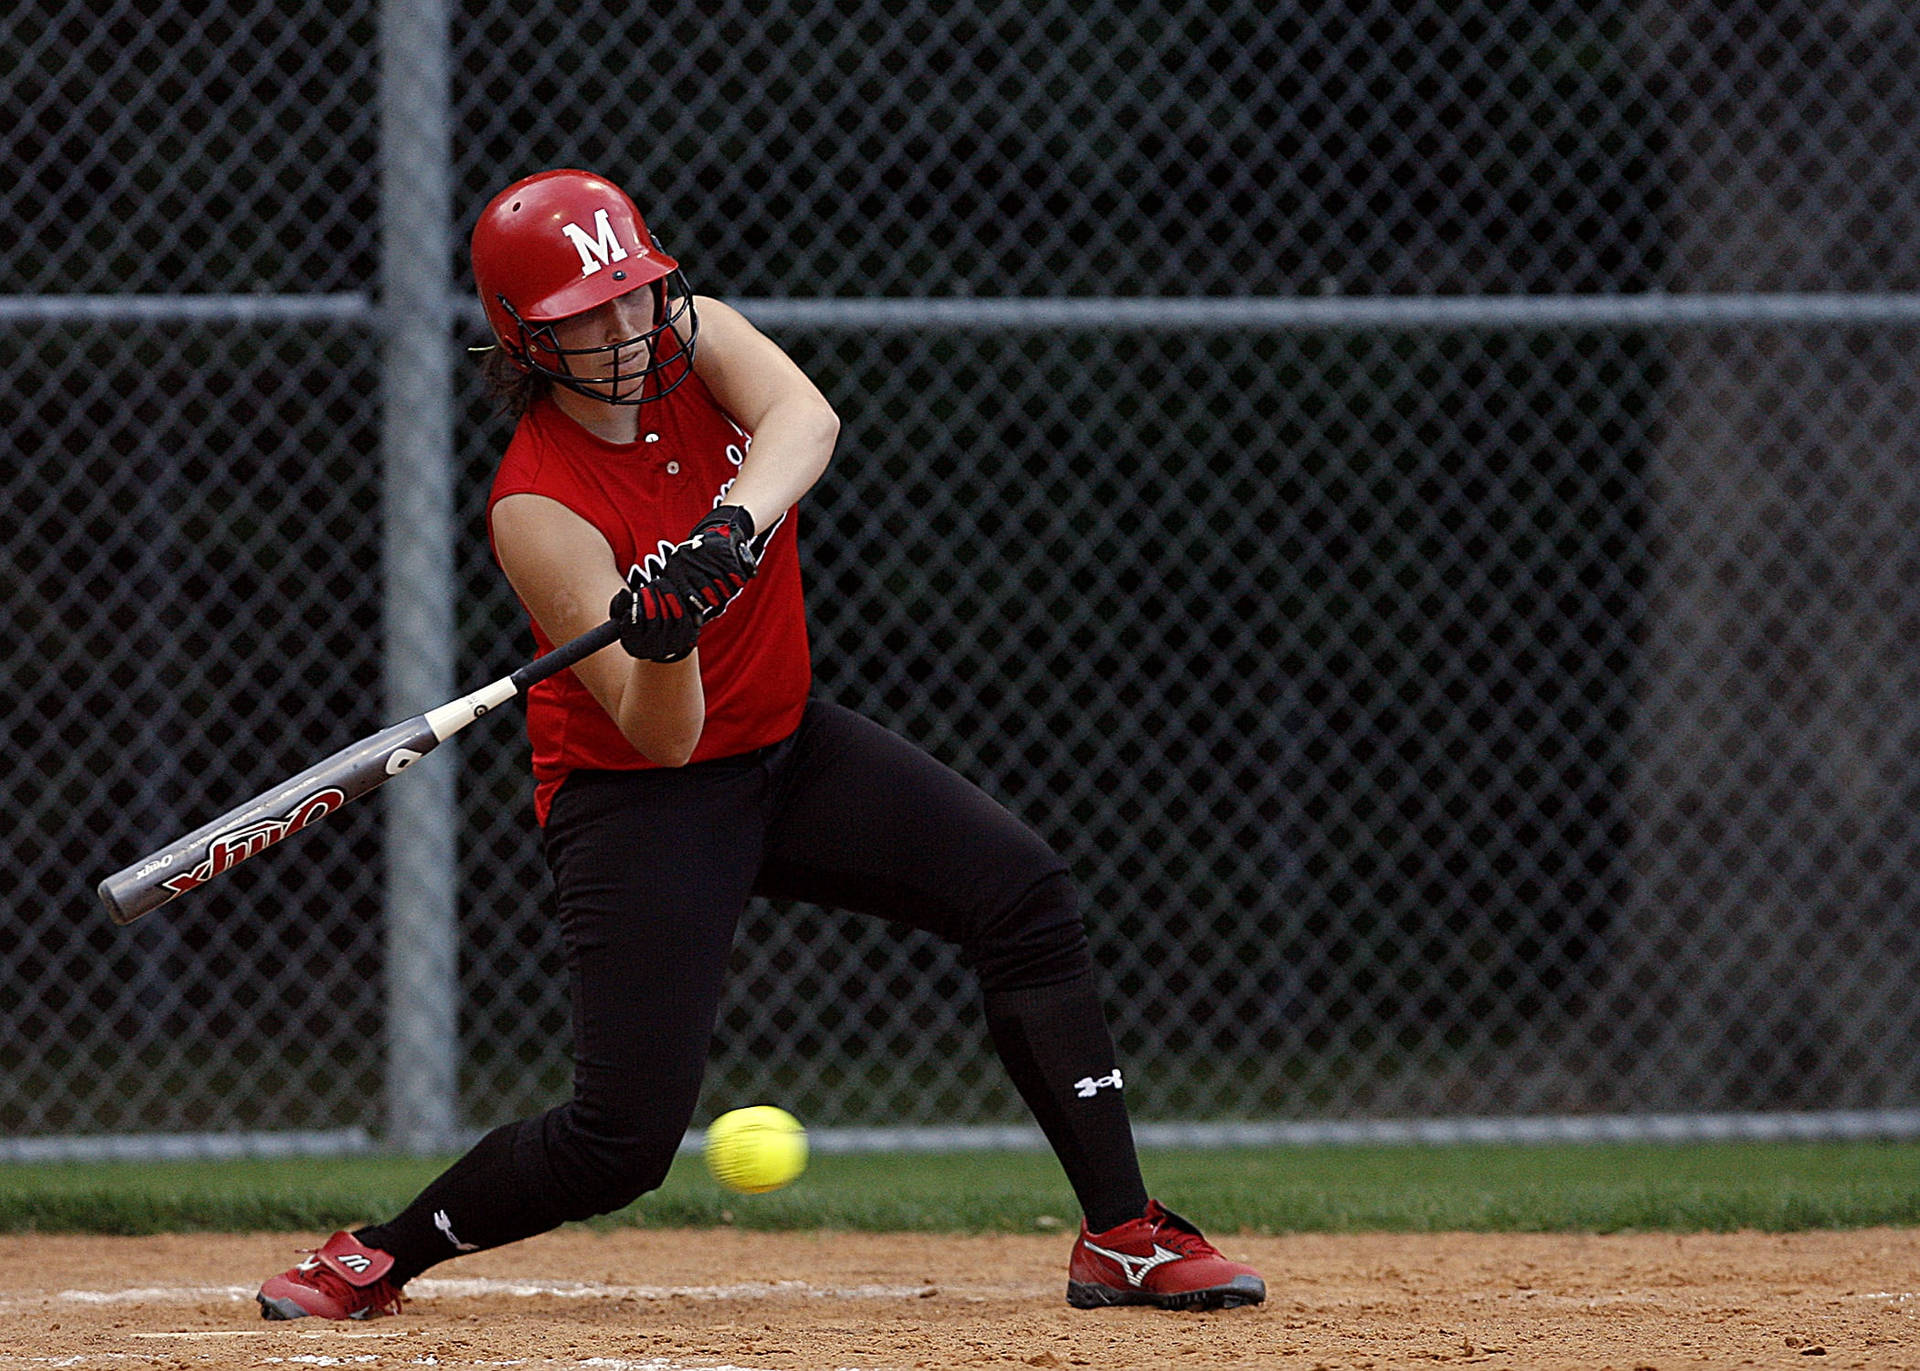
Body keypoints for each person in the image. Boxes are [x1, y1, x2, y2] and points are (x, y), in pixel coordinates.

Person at [255, 168, 1264, 1321]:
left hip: (791, 746)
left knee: (1022, 893)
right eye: (590, 311)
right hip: (641, 798)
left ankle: (1123, 1236)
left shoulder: (704, 344)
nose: (630, 327)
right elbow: (659, 733)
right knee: (621, 1143)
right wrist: (669, 636)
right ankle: (375, 1256)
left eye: (638, 292)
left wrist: (728, 527)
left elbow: (806, 421)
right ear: (524, 338)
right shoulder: (538, 508)